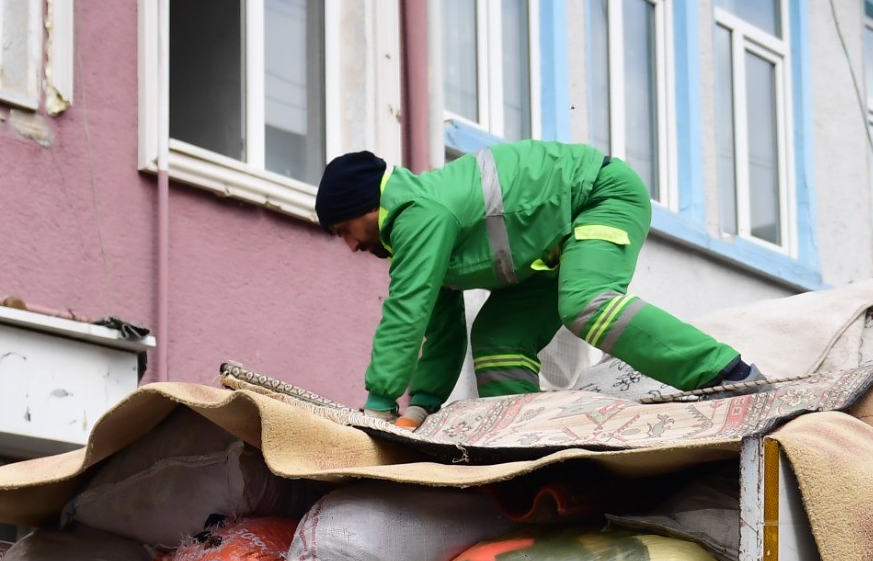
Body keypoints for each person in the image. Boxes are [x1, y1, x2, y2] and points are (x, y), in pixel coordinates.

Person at [316, 143, 755, 424]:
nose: (351, 246)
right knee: (498, 338)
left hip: (600, 196)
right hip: (553, 249)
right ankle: (517, 440)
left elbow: (405, 313)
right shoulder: (421, 228)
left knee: (585, 303)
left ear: (367, 206)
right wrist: (420, 408)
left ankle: (728, 375)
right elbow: (440, 330)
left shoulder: (418, 214)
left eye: (344, 230)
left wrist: (378, 407)